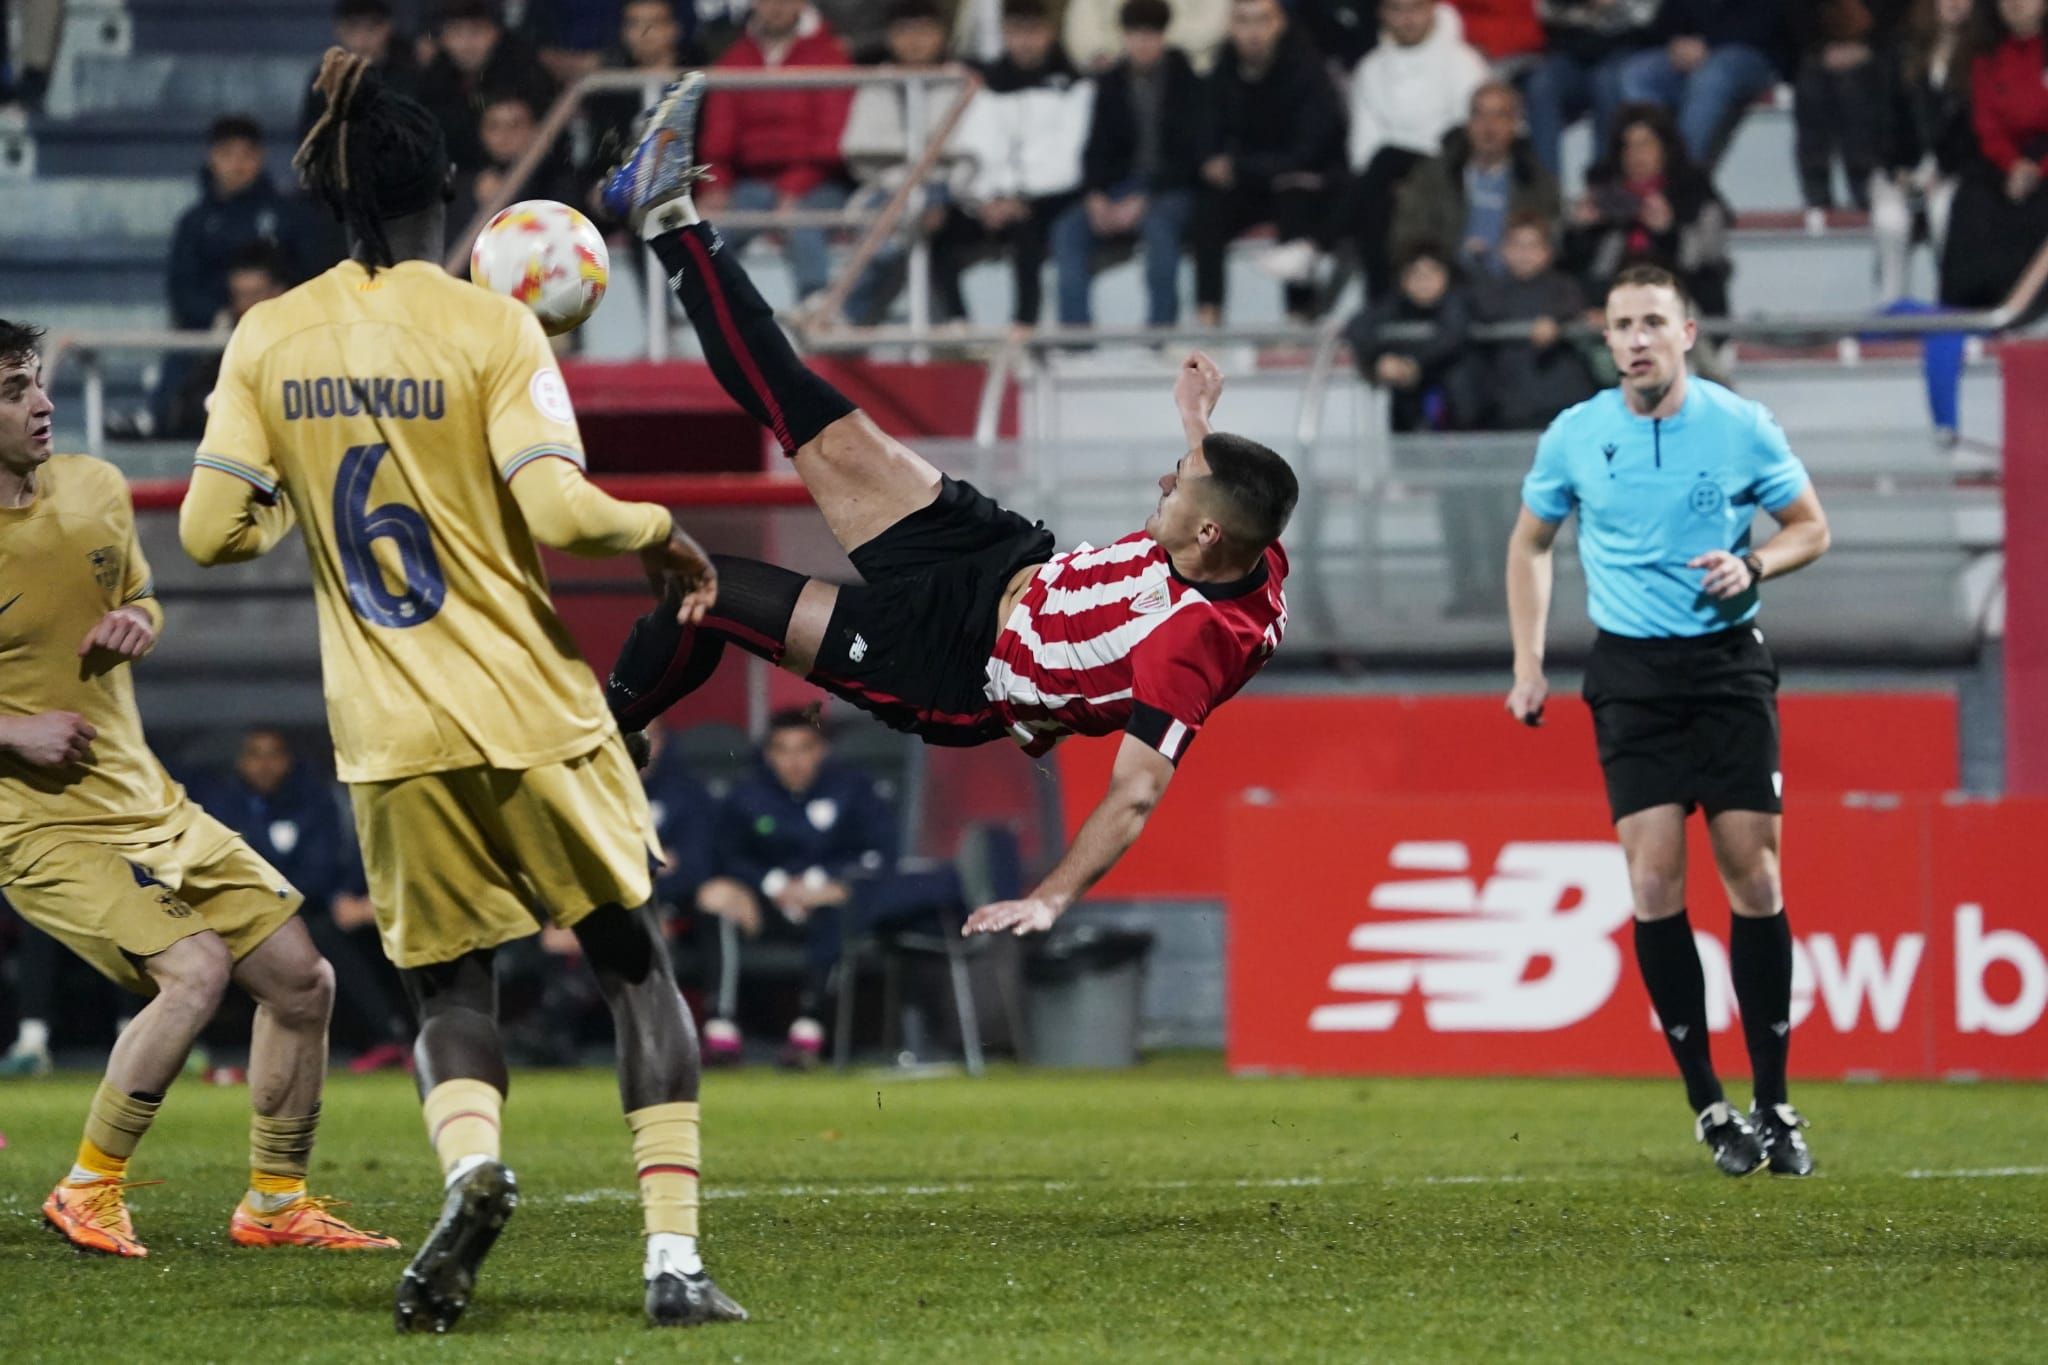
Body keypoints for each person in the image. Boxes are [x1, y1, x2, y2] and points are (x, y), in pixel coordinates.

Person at [177, 50, 744, 1331]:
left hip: (387, 730)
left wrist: (293, 498)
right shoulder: (493, 324)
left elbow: (211, 533)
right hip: (528, 708)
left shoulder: (267, 336)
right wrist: (660, 530)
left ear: (332, 200)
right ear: (449, 194)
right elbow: (562, 511)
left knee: (450, 989)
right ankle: (671, 1264)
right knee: (631, 966)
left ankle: (473, 1172)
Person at [600, 73, 1296, 939]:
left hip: (952, 666)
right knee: (808, 409)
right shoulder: (1243, 538)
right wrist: (1198, 424)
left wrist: (1050, 895)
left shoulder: (1191, 648)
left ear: (1207, 531)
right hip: (996, 555)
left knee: (707, 593)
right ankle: (665, 211)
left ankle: (600, 740)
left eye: (1178, 483)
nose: (1163, 483)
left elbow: (1135, 793)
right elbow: (1223, 494)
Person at [0, 318, 399, 1258]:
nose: (44, 403)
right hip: (38, 823)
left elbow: (138, 595)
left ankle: (275, 1201)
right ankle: (89, 1186)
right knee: (196, 969)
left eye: (39, 382)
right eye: (16, 391)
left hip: (152, 803)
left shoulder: (95, 487)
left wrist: (141, 620)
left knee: (302, 980)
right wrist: (13, 731)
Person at [1504, 263, 1832, 1178]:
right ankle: (1710, 1105)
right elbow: (1530, 543)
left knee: (1754, 874)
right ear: (1607, 339)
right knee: (1652, 881)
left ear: (1687, 333)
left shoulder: (1740, 425)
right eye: (1622, 325)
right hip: (1632, 674)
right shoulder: (1577, 434)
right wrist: (1528, 663)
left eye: (1654, 321)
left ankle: (1775, 1103)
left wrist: (1755, 565)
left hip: (1727, 668)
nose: (1637, 338)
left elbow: (1811, 527)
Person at [694, 710, 941, 1067]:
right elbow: (724, 856)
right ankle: (721, 1030)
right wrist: (771, 884)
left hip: (827, 905)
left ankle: (809, 1030)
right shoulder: (746, 795)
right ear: (768, 755)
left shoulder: (853, 790)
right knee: (715, 896)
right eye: (783, 750)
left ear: (822, 750)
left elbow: (882, 853)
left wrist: (819, 883)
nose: (794, 761)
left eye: (804, 749)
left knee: (840, 905)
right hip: (766, 906)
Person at [190, 728, 411, 1072]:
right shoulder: (222, 804)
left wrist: (277, 896)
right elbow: (219, 868)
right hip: (236, 912)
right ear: (241, 762)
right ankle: (186, 1043)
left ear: (288, 760)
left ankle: (388, 1038)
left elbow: (319, 872)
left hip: (301, 910)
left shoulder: (314, 801)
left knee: (327, 939)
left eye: (273, 754)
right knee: (185, 941)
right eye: (255, 754)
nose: (264, 764)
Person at [935, 0, 1093, 329]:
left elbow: (1068, 158)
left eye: (1033, 32)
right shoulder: (986, 87)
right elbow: (971, 150)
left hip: (1049, 196)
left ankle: (1023, 326)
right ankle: (957, 323)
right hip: (991, 199)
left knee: (1027, 230)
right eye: (1017, 32)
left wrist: (1020, 198)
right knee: (939, 227)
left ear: (1050, 33)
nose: (1025, 41)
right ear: (1005, 34)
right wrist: (983, 200)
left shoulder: (1074, 85)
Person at [1192, 0, 1347, 323]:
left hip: (1301, 179)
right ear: (1231, 27)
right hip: (1249, 181)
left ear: (1280, 23)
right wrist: (1211, 162)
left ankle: (1299, 317)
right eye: (1244, 21)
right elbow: (1206, 133)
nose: (1253, 32)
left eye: (1262, 20)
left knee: (1294, 196)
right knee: (1208, 208)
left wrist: (1239, 166)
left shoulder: (1307, 69)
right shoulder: (1223, 70)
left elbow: (1309, 151)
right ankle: (1208, 316)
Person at [1052, 0, 1205, 328]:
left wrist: (1146, 197)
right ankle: (1075, 339)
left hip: (1172, 187)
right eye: (1136, 35)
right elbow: (1095, 148)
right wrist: (1095, 195)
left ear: (1163, 36)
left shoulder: (1186, 82)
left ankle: (1159, 333)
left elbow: (1191, 156)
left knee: (1159, 228)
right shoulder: (1110, 83)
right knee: (1067, 231)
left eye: (1150, 35)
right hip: (1119, 186)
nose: (1142, 43)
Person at [696, 0, 857, 306]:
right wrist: (715, 185)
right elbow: (717, 138)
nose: (776, 7)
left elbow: (833, 138)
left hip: (820, 181)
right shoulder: (735, 60)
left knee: (802, 222)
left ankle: (815, 306)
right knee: (706, 230)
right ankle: (712, 314)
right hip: (752, 184)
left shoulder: (830, 57)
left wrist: (795, 186)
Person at [835, 0, 976, 325]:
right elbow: (858, 147)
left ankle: (841, 308)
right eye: (905, 31)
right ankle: (953, 322)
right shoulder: (877, 82)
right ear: (890, 37)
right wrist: (916, 160)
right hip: (890, 188)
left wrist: (927, 175)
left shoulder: (964, 82)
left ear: (942, 35)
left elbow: (968, 150)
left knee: (911, 212)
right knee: (900, 214)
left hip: (950, 190)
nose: (914, 41)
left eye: (924, 31)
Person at [1338, 0, 1489, 301]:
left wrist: (1422, 176)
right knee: (1376, 191)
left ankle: (1322, 240)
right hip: (1387, 179)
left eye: (1415, 8)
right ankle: (1381, 298)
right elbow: (1363, 145)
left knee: (1386, 162)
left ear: (1433, 8)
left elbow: (1470, 134)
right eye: (1397, 10)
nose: (1407, 19)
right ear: (1382, 14)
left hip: (1449, 168)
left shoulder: (1463, 62)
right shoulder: (1370, 69)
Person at [1566, 102, 1733, 317]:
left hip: (1683, 312)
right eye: (1628, 146)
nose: (1636, 154)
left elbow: (1707, 264)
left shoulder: (1695, 195)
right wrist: (1580, 233)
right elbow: (1576, 271)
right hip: (1608, 313)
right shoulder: (1602, 197)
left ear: (1665, 149)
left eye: (1645, 144)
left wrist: (1668, 233)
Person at [1390, 79, 1562, 281]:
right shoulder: (1433, 176)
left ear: (1514, 125)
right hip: (1449, 286)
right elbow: (1407, 237)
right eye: (1479, 115)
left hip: (1516, 287)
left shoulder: (1537, 182)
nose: (1489, 126)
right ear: (1468, 123)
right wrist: (1451, 255)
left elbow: (1554, 241)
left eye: (1500, 115)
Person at [1940, 0, 2048, 308]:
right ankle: (1966, 312)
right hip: (2004, 162)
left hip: (2044, 161)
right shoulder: (1986, 56)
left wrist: (2039, 170)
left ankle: (2026, 310)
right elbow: (1987, 127)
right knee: (1972, 202)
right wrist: (2013, 165)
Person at [1872, 0, 1976, 303]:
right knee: (1890, 220)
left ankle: (1949, 305)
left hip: (1956, 172)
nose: (1956, 3)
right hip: (1902, 168)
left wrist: (1947, 172)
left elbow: (1977, 129)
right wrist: (1898, 170)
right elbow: (1884, 117)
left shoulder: (1983, 54)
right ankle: (1891, 307)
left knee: (1946, 212)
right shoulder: (1901, 50)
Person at [1617, 0, 1787, 169]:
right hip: (1696, 49)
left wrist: (1710, 45)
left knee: (1712, 76)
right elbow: (1672, 15)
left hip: (1753, 51)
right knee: (1637, 74)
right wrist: (1676, 41)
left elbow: (1767, 18)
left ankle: (1681, 172)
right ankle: (1651, 166)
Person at [1470, 212, 1600, 430]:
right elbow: (1483, 309)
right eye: (1516, 245)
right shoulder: (1493, 289)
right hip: (1512, 403)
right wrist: (1478, 266)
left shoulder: (1564, 286)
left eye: (1533, 246)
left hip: (1562, 401)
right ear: (1503, 251)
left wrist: (1555, 321)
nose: (1524, 254)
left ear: (1548, 252)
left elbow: (1573, 305)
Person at [161, 244, 291, 441]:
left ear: (278, 292)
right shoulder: (221, 338)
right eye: (240, 296)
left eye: (255, 295)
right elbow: (193, 404)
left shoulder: (301, 336)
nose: (247, 305)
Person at [1344, 241, 1474, 433]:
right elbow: (1357, 327)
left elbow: (1452, 337)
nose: (1424, 281)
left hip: (1459, 411)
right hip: (1408, 413)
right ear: (1403, 279)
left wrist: (1412, 364)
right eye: (1416, 274)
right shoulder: (1395, 305)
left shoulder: (1458, 303)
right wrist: (1381, 360)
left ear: (1446, 276)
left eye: (1431, 273)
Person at [416, 0, 558, 174]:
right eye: (455, 32)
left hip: (527, 174)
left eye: (476, 32)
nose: (466, 44)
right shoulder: (435, 75)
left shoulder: (525, 69)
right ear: (443, 38)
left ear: (496, 32)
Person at [1520, 0, 1658, 177]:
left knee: (1606, 83)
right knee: (1541, 84)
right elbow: (1544, 10)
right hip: (1573, 48)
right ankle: (1547, 183)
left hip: (1625, 46)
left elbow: (1648, 14)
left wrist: (1614, 5)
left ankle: (1604, 181)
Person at [1790, 0, 1905, 214]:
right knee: (1811, 85)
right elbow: (1797, 17)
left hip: (1883, 51)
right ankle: (1816, 193)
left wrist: (1868, 48)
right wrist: (1822, 50)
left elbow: (1900, 16)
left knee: (1854, 88)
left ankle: (1865, 185)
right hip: (1820, 53)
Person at [299, 0, 420, 140]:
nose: (361, 41)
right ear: (339, 30)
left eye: (371, 29)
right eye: (353, 29)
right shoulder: (325, 79)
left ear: (388, 28)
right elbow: (309, 142)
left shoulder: (411, 75)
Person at [1064, 0, 1229, 71]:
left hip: (1192, 72)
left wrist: (1158, 44)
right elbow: (1082, 26)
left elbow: (1217, 22)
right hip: (1115, 72)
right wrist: (1097, 54)